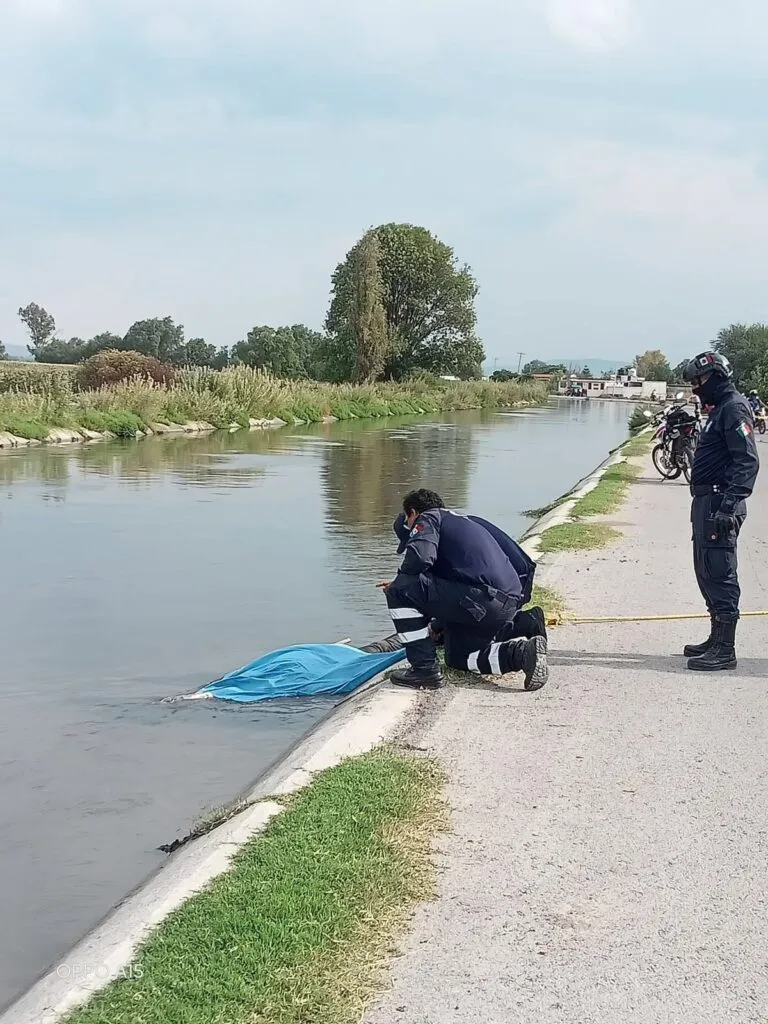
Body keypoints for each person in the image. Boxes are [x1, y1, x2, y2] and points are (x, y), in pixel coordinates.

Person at [376, 488, 548, 690]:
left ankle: (423, 670)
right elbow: (520, 563)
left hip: (482, 600)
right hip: (505, 602)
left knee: (400, 589)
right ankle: (522, 652)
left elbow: (420, 559)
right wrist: (438, 627)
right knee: (458, 657)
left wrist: (399, 583)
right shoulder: (467, 521)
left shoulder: (428, 517)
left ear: (413, 513)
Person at [682, 352, 760, 670]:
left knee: (720, 571)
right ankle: (716, 637)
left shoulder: (734, 407)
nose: (696, 389)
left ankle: (725, 649)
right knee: (706, 571)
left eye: (699, 381)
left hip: (720, 503)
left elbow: (747, 460)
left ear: (715, 377)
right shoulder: (719, 409)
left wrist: (729, 504)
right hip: (706, 502)